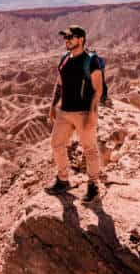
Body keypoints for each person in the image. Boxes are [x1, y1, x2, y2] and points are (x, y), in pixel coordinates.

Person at [44, 24, 104, 202]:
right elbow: (59, 83)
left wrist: (93, 113)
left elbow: (98, 89)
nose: (66, 41)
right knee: (56, 144)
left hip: (83, 113)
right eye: (65, 38)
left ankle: (93, 185)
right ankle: (63, 179)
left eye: (70, 37)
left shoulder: (91, 60)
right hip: (65, 112)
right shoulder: (64, 58)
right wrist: (53, 105)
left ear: (81, 39)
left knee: (90, 150)